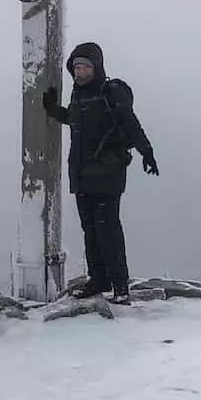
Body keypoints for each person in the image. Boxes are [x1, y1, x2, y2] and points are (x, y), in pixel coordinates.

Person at [43, 41, 158, 304]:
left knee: (108, 231)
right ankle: (98, 280)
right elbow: (73, 118)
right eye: (76, 68)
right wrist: (52, 110)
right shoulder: (79, 95)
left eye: (85, 67)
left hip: (107, 174)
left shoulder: (111, 91)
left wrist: (146, 151)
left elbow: (129, 121)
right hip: (82, 176)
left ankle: (120, 286)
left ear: (97, 68)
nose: (80, 72)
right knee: (90, 231)